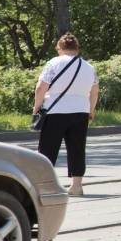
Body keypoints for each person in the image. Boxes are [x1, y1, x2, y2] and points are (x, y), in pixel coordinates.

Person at [32, 33, 99, 196]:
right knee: (77, 148)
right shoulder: (89, 67)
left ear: (59, 48)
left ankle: (44, 185)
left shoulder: (53, 63)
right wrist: (91, 110)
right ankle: (76, 185)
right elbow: (94, 91)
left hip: (56, 111)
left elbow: (41, 87)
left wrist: (36, 108)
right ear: (77, 49)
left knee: (48, 148)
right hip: (81, 111)